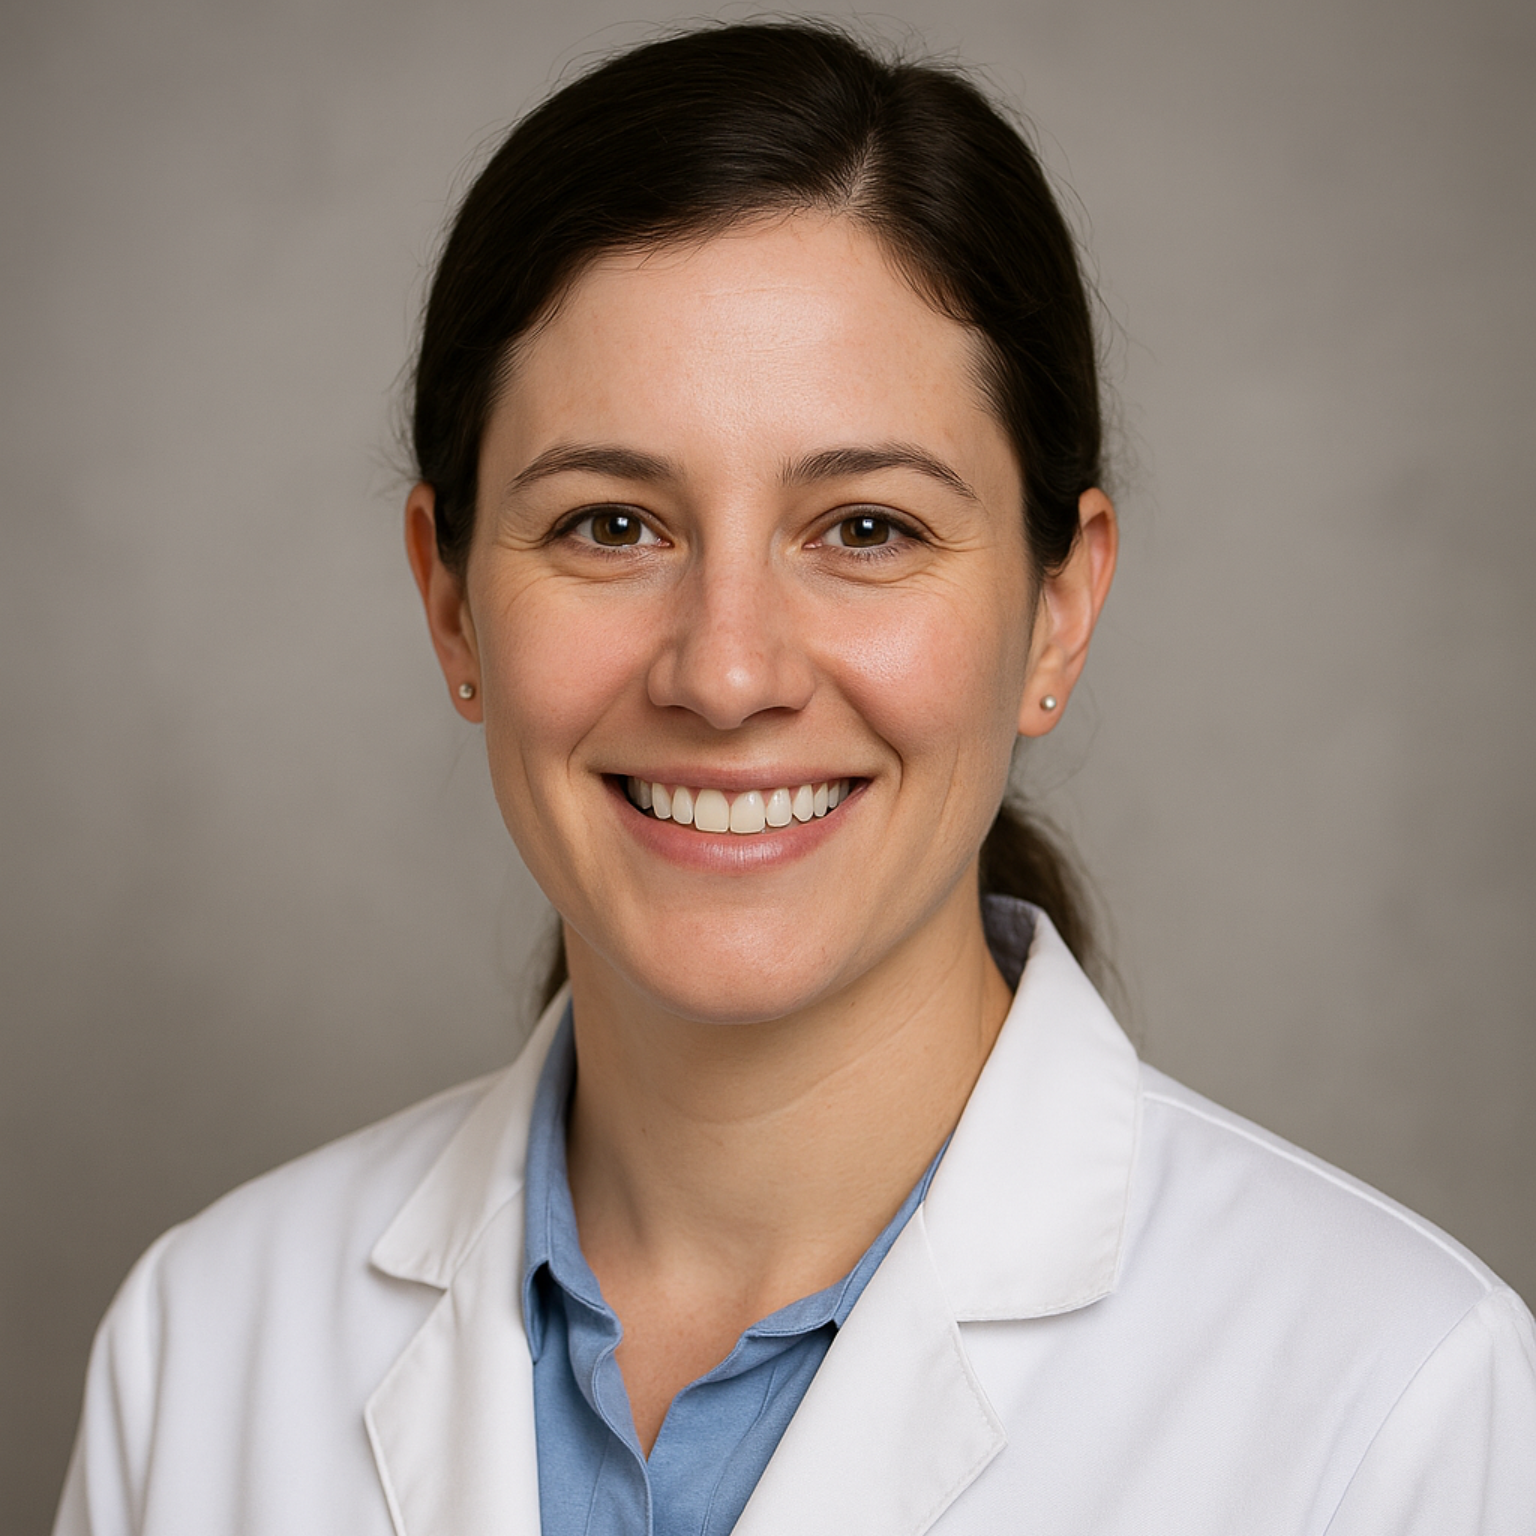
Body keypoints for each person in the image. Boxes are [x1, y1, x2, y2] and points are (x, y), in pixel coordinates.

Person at [53, 20, 1536, 1536]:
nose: (728, 670)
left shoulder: (1395, 1403)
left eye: (868, 529)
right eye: (612, 526)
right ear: (451, 604)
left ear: (1059, 607)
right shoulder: (205, 1346)